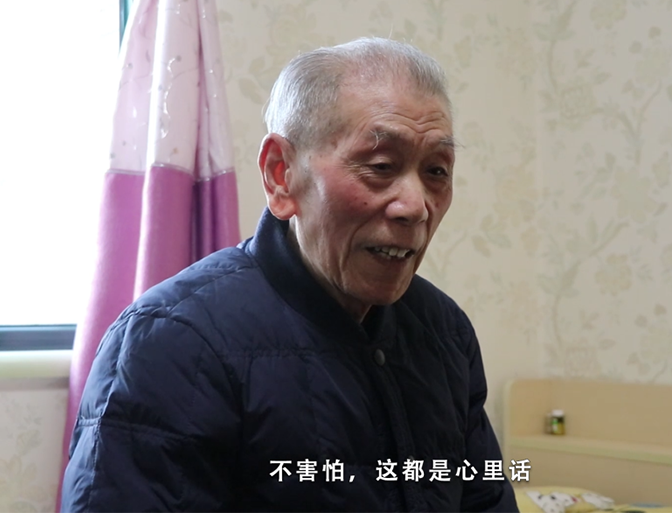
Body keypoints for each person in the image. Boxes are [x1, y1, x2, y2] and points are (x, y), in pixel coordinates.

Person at [60, 37, 518, 512]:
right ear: (281, 175)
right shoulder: (174, 343)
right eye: (381, 166)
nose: (416, 206)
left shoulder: (444, 332)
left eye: (437, 172)